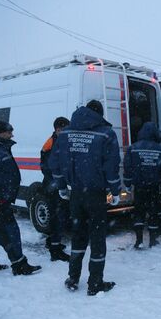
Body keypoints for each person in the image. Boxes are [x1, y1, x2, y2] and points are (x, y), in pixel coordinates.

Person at [49, 100, 121, 296]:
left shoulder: (64, 134)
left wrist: (62, 187)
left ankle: (73, 278)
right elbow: (111, 165)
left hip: (76, 194)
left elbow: (55, 164)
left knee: (78, 235)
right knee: (97, 237)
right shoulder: (106, 134)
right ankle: (95, 283)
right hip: (96, 194)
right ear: (99, 113)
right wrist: (115, 191)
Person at [0, 120, 41, 276]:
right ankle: (19, 265)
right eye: (9, 131)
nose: (12, 134)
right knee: (9, 232)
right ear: (0, 133)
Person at [123, 122, 161, 249]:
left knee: (139, 212)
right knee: (153, 212)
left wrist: (128, 183)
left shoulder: (133, 148)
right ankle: (152, 240)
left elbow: (127, 167)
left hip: (139, 186)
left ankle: (139, 240)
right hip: (154, 186)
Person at [40, 116, 70, 261]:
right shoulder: (52, 144)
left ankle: (51, 242)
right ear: (58, 129)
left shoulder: (57, 141)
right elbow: (48, 167)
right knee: (58, 217)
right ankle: (55, 250)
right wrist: (59, 182)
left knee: (57, 215)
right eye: (65, 129)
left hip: (54, 184)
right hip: (53, 186)